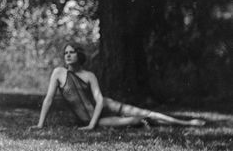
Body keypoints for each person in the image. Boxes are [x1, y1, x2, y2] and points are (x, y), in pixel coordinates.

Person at [33, 43, 206, 130]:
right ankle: (147, 123)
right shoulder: (58, 73)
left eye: (72, 52)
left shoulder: (89, 75)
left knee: (145, 113)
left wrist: (91, 126)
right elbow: (48, 99)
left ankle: (186, 123)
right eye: (66, 53)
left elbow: (100, 101)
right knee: (133, 121)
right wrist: (41, 124)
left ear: (79, 54)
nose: (68, 55)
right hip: (94, 118)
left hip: (105, 107)